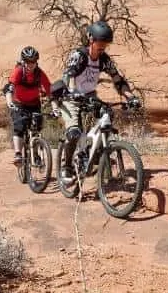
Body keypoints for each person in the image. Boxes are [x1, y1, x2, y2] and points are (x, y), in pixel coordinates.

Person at [56, 21, 137, 184]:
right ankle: (67, 167)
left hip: (90, 95)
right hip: (71, 97)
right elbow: (70, 75)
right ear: (91, 39)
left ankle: (97, 154)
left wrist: (131, 97)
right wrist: (73, 91)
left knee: (107, 116)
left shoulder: (104, 60)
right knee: (74, 132)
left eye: (105, 44)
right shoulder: (79, 55)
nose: (102, 47)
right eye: (100, 43)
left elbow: (118, 80)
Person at [4, 46, 51, 164]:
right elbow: (9, 88)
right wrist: (10, 102)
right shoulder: (19, 71)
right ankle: (18, 154)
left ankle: (35, 154)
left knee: (36, 128)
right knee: (19, 127)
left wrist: (55, 106)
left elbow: (50, 90)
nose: (31, 65)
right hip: (18, 104)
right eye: (28, 62)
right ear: (23, 61)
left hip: (34, 103)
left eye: (34, 62)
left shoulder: (39, 73)